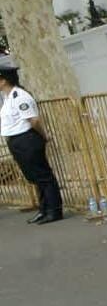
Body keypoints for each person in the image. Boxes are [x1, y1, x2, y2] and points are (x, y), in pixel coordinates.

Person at [0, 55, 63, 224]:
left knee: (43, 176)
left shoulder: (19, 96)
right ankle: (44, 209)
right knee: (34, 177)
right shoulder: (8, 98)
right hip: (16, 140)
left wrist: (44, 136)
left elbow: (33, 120)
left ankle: (54, 210)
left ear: (3, 81)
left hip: (27, 139)